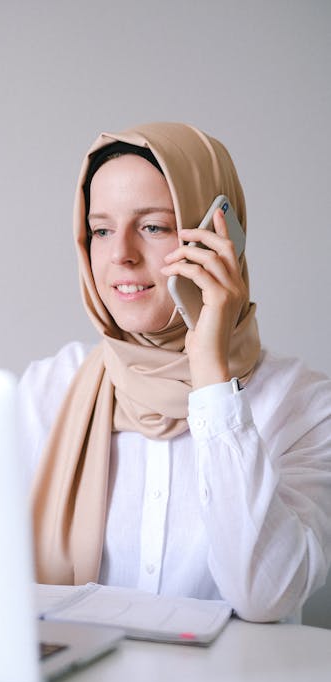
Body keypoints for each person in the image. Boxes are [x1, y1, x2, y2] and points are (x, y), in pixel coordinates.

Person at [18, 122, 331, 623]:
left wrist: (210, 372)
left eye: (153, 227)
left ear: (219, 237)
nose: (120, 252)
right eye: (101, 229)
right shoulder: (47, 390)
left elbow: (266, 596)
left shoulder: (305, 405)